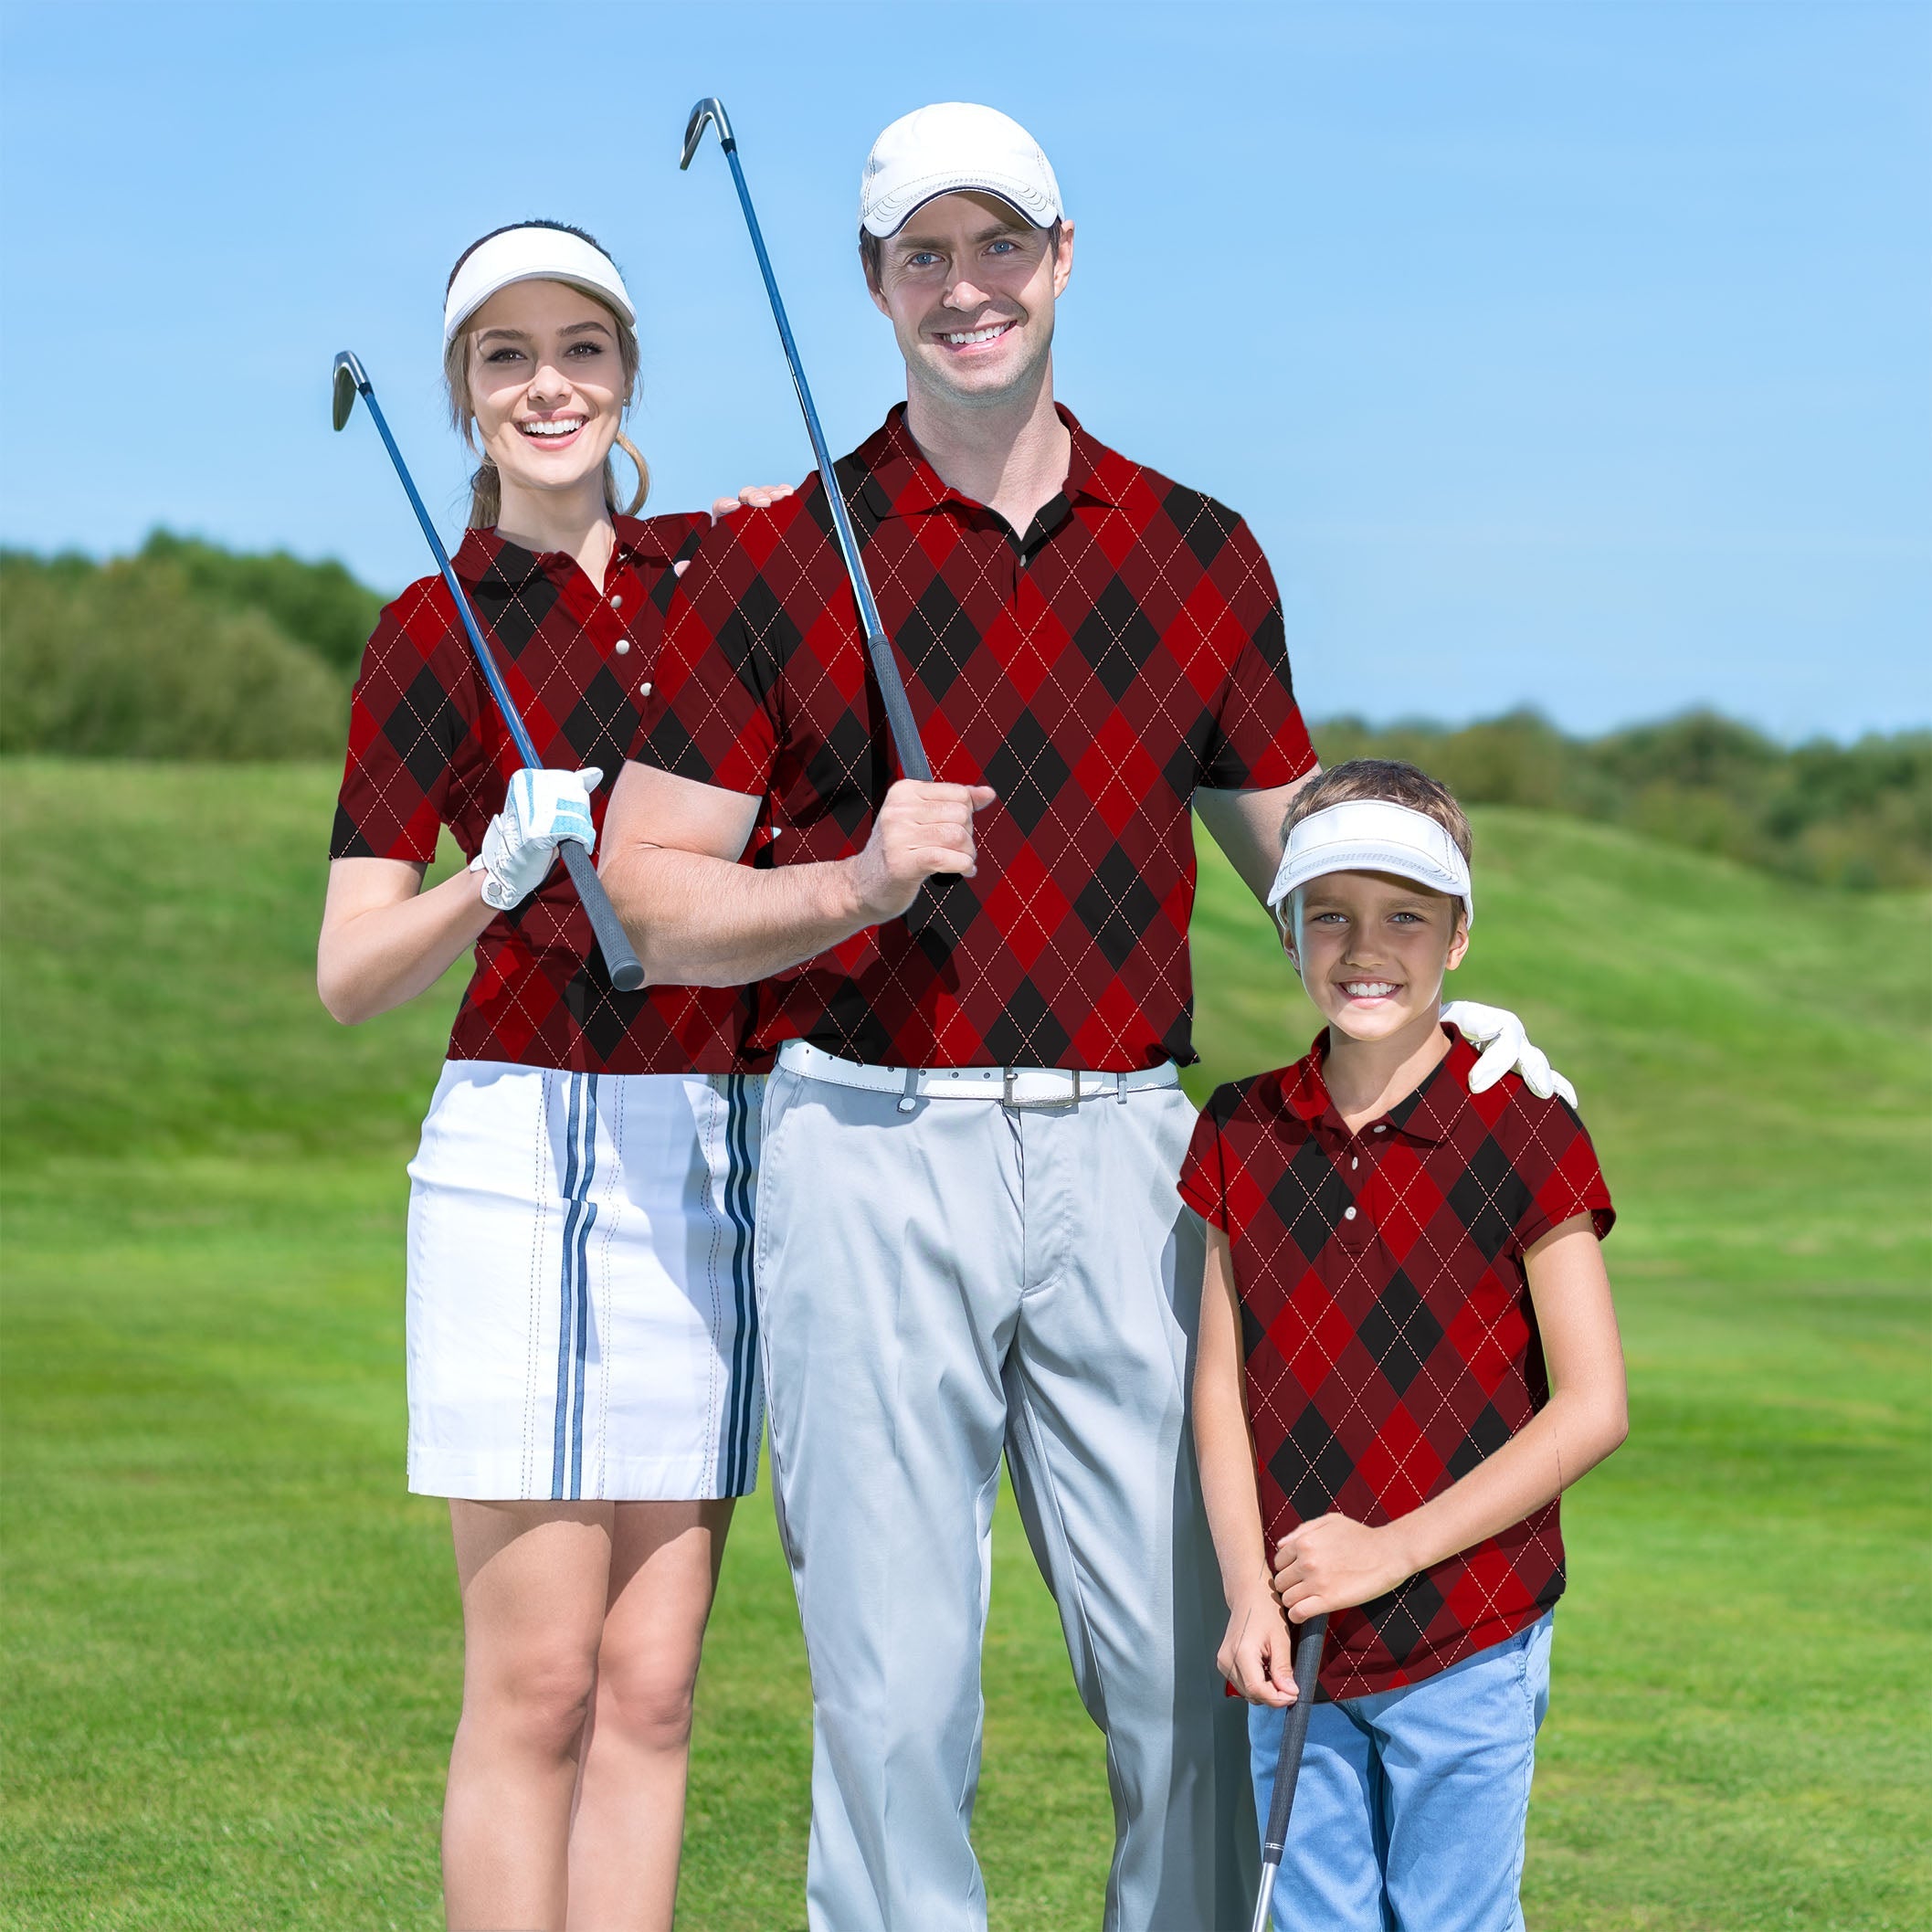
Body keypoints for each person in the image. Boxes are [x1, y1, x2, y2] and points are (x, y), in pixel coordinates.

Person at [599, 106, 1567, 1931]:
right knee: (893, 1700)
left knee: (1198, 1668)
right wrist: (844, 885)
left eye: (999, 246)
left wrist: (1451, 988)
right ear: (875, 285)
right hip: (863, 1143)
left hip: (1135, 1158)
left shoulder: (1197, 551)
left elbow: (1304, 862)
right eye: (923, 256)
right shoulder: (786, 555)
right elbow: (645, 892)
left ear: (1060, 256)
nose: (966, 289)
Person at [317, 220, 787, 1932]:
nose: (547, 385)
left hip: (702, 1151)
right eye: (506, 356)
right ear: (462, 394)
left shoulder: (723, 585)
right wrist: (484, 880)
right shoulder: (425, 631)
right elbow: (350, 971)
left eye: (579, 349)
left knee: (654, 1686)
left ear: (626, 375)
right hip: (519, 1145)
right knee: (538, 1686)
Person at [1184, 759, 1629, 1931]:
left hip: (1470, 1628)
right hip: (1296, 1632)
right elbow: (1220, 1390)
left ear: (1458, 938)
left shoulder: (1526, 1126)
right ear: (1286, 928)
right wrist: (1246, 1594)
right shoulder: (1240, 1127)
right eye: (1328, 913)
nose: (1363, 946)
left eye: (1404, 917)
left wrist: (1390, 1552)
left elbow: (1593, 1406)